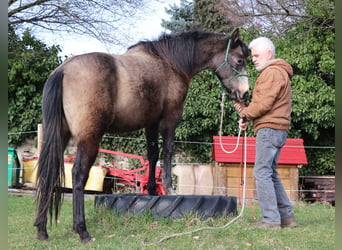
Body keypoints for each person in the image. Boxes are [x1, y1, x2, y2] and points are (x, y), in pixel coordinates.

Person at [234, 36, 297, 229]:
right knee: (271, 173)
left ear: (268, 53)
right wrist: (245, 115)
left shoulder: (272, 72)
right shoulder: (278, 72)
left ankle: (271, 220)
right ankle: (286, 218)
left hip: (269, 129)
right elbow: (262, 104)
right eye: (252, 56)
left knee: (261, 172)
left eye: (256, 55)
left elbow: (263, 104)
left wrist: (245, 113)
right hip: (277, 129)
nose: (253, 59)